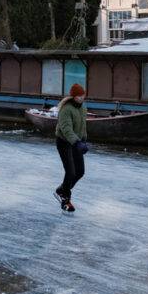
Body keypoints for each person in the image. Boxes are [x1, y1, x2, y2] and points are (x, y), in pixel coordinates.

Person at [54, 83, 89, 213]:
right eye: (78, 96)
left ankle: (61, 190)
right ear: (73, 96)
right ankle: (64, 197)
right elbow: (66, 129)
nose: (81, 98)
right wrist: (76, 142)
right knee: (71, 172)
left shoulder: (83, 108)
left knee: (80, 171)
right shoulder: (66, 109)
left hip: (76, 143)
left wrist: (84, 139)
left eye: (82, 95)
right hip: (64, 142)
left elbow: (83, 125)